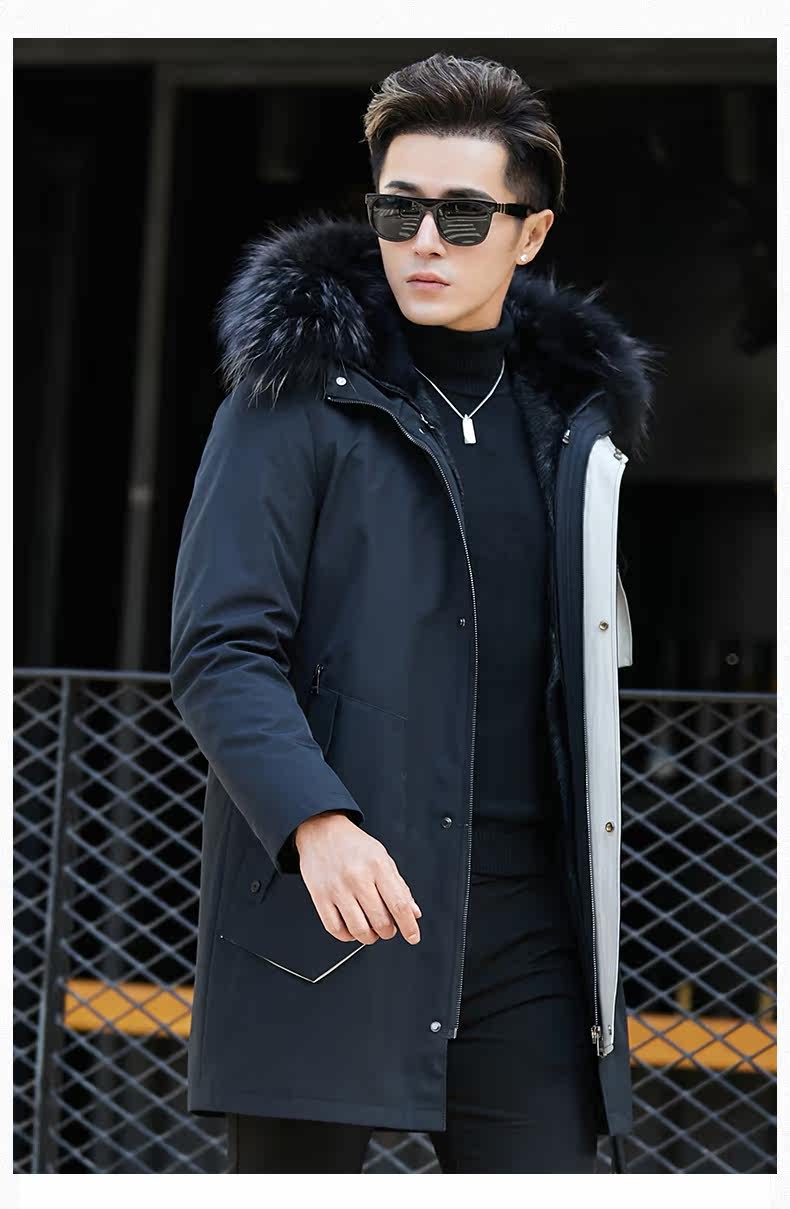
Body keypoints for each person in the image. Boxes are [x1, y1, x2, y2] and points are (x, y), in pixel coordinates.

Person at [170, 52, 660, 1174]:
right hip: (331, 900)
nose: (425, 241)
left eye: (463, 214)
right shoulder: (294, 398)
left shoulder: (571, 424)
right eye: (399, 210)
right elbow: (221, 646)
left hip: (530, 929)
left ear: (530, 234)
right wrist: (315, 822)